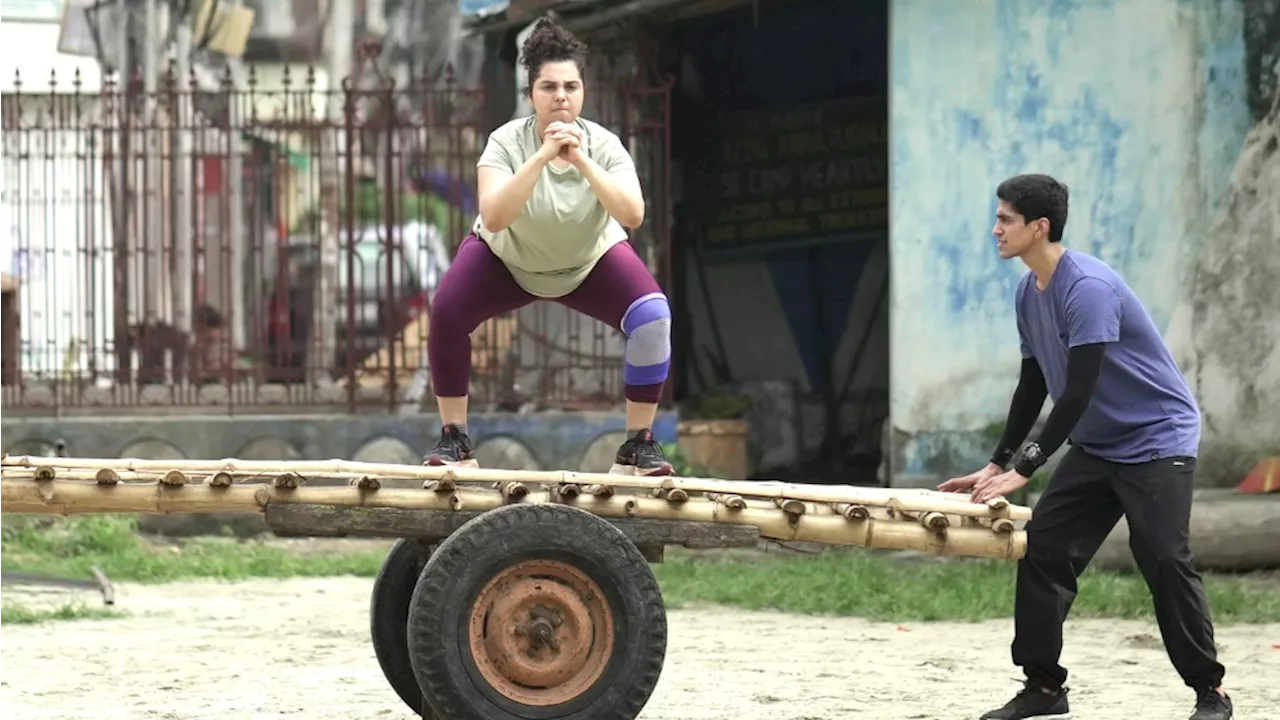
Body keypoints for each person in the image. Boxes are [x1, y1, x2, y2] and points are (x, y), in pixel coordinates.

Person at [940, 174, 1233, 720]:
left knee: (1165, 558)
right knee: (1044, 548)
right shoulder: (1029, 290)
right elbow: (1033, 384)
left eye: (1005, 219)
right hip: (1100, 444)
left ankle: (1210, 692)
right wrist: (997, 460)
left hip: (1156, 438)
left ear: (1039, 226)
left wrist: (1028, 466)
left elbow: (1079, 388)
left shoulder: (1088, 288)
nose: (995, 229)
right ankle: (1044, 689)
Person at [421, 15, 674, 477]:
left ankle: (638, 445)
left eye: (571, 87)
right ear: (531, 93)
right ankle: (455, 439)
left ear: (583, 91)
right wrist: (541, 156)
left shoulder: (605, 144)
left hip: (588, 262)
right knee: (448, 312)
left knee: (652, 317)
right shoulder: (505, 141)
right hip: (506, 258)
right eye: (549, 86)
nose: (561, 96)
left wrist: (579, 158)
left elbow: (633, 214)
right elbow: (495, 215)